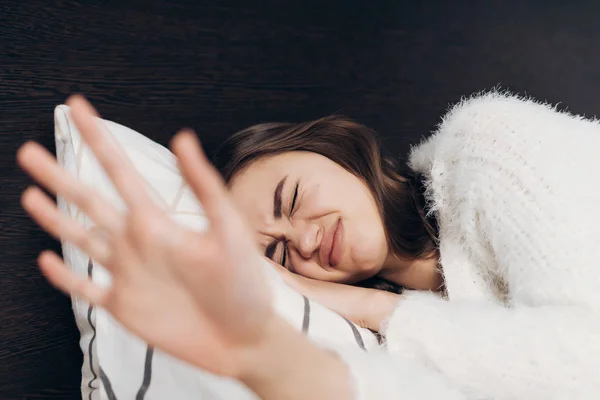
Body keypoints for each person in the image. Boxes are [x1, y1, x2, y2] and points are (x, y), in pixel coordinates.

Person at [17, 93, 600, 400]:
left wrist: (374, 308)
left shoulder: (490, 147)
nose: (305, 237)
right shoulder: (395, 337)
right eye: (275, 254)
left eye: (291, 197)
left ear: (336, 151)